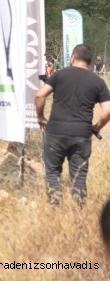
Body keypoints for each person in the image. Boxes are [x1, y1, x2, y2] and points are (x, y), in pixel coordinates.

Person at [35, 44, 110, 206]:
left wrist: (40, 117)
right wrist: (96, 127)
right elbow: (108, 111)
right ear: (89, 63)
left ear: (72, 58)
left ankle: (55, 209)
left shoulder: (59, 75)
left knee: (52, 173)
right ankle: (77, 213)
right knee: (79, 176)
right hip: (81, 134)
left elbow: (40, 95)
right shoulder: (98, 82)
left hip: (55, 131)